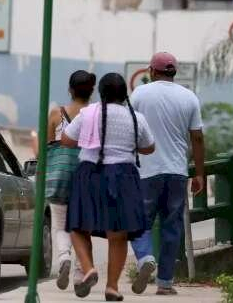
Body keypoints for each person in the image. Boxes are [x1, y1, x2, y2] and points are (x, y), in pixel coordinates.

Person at [61, 73, 155, 301]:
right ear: (125, 94)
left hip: (90, 173)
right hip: (124, 176)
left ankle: (88, 268)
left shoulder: (88, 113)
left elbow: (66, 139)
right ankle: (112, 287)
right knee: (118, 235)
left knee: (78, 226)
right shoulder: (136, 118)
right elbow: (149, 147)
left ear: (100, 93)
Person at [129, 52, 206, 296]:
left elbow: (129, 129)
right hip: (177, 172)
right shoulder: (189, 98)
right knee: (172, 227)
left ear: (152, 71)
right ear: (174, 72)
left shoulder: (140, 94)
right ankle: (165, 282)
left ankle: (145, 258)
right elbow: (197, 138)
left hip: (146, 172)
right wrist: (200, 174)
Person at [46, 70, 96, 290]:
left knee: (60, 225)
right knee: (83, 227)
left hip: (61, 175)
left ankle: (64, 257)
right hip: (87, 174)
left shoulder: (56, 114)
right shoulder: (95, 114)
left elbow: (48, 149)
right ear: (92, 91)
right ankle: (79, 274)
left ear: (70, 89)